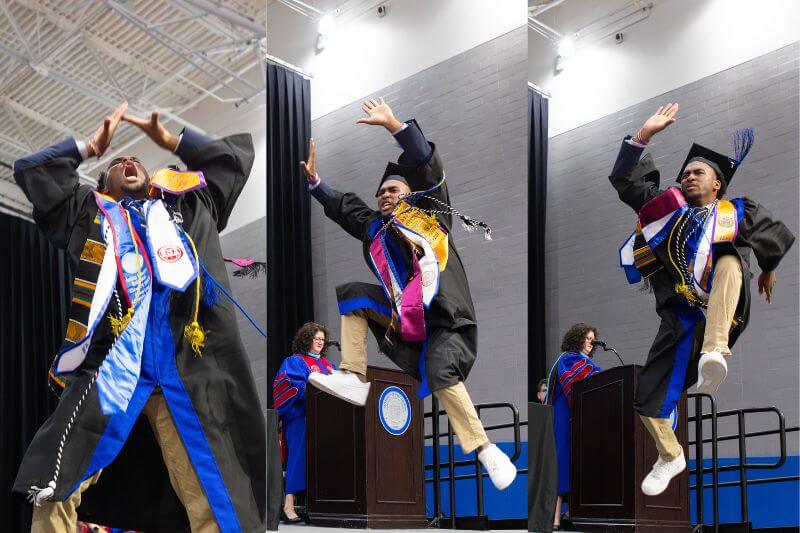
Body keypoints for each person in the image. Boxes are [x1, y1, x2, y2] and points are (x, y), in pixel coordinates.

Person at [12, 102, 266, 532]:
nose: (128, 161)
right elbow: (32, 170)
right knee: (56, 485)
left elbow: (234, 157)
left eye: (135, 159)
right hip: (112, 369)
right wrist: (88, 147)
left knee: (214, 496)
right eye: (116, 163)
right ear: (103, 185)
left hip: (187, 367)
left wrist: (172, 140)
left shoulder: (191, 206)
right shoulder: (88, 215)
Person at [297, 98, 516, 490]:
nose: (384, 195)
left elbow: (429, 168)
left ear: (411, 192)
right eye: (380, 191)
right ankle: (351, 374)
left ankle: (485, 448)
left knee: (440, 371)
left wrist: (395, 125)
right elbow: (347, 209)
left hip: (448, 322)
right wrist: (316, 183)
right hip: (407, 325)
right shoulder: (377, 230)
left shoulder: (432, 215)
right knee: (354, 294)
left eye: (393, 188)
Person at [612, 103, 795, 496]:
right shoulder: (668, 212)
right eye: (685, 173)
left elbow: (771, 235)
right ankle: (670, 454)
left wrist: (768, 267)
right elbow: (627, 183)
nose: (688, 176)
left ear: (717, 185)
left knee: (728, 255)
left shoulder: (735, 211)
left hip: (724, 307)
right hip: (682, 314)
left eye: (699, 172)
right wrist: (642, 136)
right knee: (646, 400)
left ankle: (715, 351)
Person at [272, 323, 337, 523]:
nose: (320, 342)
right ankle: (288, 506)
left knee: (324, 461)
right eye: (316, 338)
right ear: (307, 339)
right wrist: (315, 385)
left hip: (325, 420)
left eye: (322, 339)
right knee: (298, 459)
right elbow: (288, 385)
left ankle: (319, 506)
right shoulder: (295, 361)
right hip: (301, 418)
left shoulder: (328, 365)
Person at [546, 323, 602, 530]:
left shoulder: (583, 361)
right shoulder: (569, 359)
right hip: (564, 417)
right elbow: (582, 380)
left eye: (593, 339)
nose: (591, 343)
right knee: (563, 462)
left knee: (576, 463)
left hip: (578, 418)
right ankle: (555, 517)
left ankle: (572, 511)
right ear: (577, 339)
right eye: (588, 339)